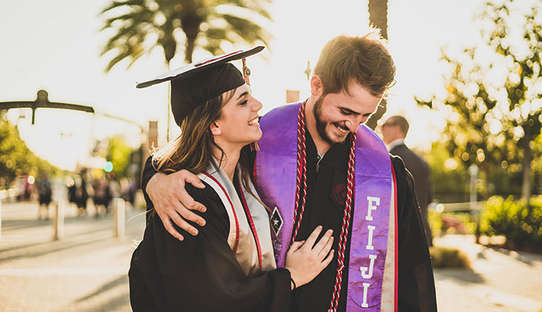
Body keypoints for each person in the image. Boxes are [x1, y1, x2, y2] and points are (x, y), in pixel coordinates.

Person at [143, 33, 437, 311]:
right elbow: (190, 154)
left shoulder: (385, 173)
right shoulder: (258, 144)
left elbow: (413, 273)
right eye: (345, 111)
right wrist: (154, 178)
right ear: (316, 85)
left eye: (366, 115)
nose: (354, 126)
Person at [129, 47, 334, 312]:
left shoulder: (244, 168)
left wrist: (152, 178)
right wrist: (290, 278)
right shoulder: (189, 200)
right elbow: (214, 299)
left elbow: (158, 163)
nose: (258, 106)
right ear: (214, 124)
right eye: (243, 101)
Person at [380, 115, 433, 246]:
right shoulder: (421, 162)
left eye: (386, 124)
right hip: (420, 232)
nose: (382, 128)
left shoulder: (386, 159)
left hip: (395, 235)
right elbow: (429, 198)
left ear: (398, 129)